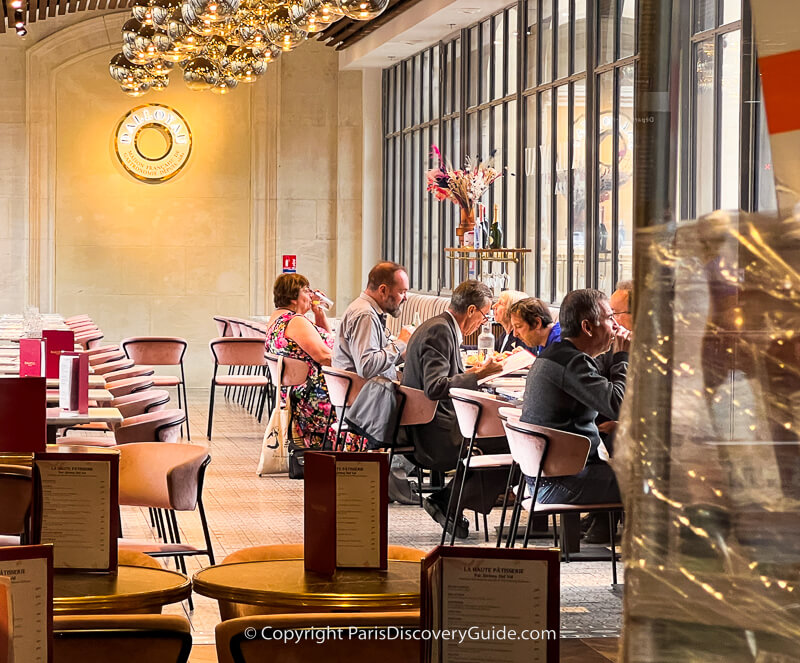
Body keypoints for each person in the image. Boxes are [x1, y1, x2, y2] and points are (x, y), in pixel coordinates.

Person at [520, 288, 630, 543]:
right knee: (652, 481)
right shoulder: (572, 363)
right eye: (610, 318)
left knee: (611, 451)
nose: (615, 325)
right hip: (559, 484)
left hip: (541, 477)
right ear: (588, 327)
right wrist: (622, 357)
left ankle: (601, 530)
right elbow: (618, 403)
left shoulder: (555, 355)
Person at [402, 280, 505, 539]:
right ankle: (448, 502)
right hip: (433, 431)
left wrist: (476, 374)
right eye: (484, 315)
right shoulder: (440, 331)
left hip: (435, 422)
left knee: (502, 441)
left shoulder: (439, 326)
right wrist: (480, 373)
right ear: (471, 310)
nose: (484, 322)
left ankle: (448, 501)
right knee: (509, 446)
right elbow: (435, 387)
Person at [265, 273, 334, 448]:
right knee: (369, 405)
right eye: (306, 290)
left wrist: (319, 313)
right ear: (293, 297)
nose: (311, 295)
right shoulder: (296, 322)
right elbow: (325, 356)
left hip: (294, 396)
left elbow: (325, 341)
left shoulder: (278, 319)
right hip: (314, 400)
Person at [333, 261, 411, 381]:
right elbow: (367, 367)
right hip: (366, 396)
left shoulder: (365, 309)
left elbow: (376, 362)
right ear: (383, 290)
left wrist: (402, 354)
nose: (405, 298)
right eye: (402, 292)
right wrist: (401, 343)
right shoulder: (366, 315)